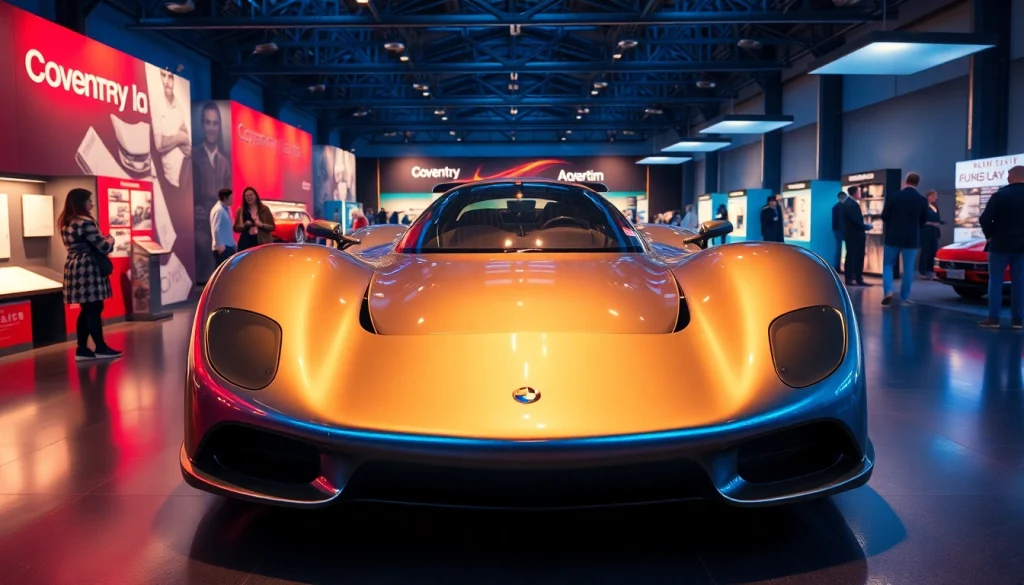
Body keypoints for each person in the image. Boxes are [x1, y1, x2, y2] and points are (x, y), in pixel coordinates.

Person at [59, 188, 122, 361]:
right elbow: (103, 247)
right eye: (89, 201)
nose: (92, 204)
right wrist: (110, 240)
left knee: (86, 308)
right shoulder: (85, 222)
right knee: (94, 308)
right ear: (82, 202)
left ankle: (82, 348)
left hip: (74, 267)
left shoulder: (66, 222)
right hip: (89, 268)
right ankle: (100, 347)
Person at [978, 165, 1024, 329]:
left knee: (995, 281)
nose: (1007, 177)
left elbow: (984, 219)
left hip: (1000, 244)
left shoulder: (1000, 195)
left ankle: (994, 319)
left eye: (1008, 175)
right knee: (1019, 282)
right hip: (1021, 247)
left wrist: (990, 235)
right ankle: (1018, 320)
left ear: (1012, 177)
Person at [880, 172, 928, 305]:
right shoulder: (922, 200)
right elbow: (924, 220)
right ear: (917, 183)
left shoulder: (894, 196)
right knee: (908, 269)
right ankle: (904, 297)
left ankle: (888, 291)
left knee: (888, 265)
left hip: (892, 237)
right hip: (911, 238)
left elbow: (884, 216)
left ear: (905, 182)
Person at [842, 186, 871, 286]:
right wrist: (865, 226)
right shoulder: (851, 204)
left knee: (853, 256)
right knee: (854, 256)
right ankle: (854, 278)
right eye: (859, 192)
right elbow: (855, 220)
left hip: (852, 235)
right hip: (854, 235)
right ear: (854, 193)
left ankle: (854, 277)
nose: (860, 193)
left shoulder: (849, 203)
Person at [233, 187, 276, 251]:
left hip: (262, 242)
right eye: (246, 196)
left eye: (251, 195)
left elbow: (272, 227)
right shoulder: (241, 210)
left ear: (256, 196)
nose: (249, 197)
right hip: (245, 243)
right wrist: (244, 225)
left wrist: (262, 225)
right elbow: (236, 228)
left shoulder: (264, 210)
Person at [918, 190, 944, 278]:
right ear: (929, 196)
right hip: (926, 232)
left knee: (934, 251)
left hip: (934, 232)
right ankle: (923, 271)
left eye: (936, 196)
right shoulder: (924, 207)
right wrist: (932, 224)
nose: (935, 198)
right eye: (933, 196)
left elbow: (936, 218)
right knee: (925, 252)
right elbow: (921, 220)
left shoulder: (935, 207)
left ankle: (931, 270)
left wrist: (940, 223)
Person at [210, 188, 235, 267]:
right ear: (225, 198)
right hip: (223, 247)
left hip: (228, 245)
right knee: (222, 272)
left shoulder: (227, 208)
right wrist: (220, 246)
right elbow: (216, 229)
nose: (232, 200)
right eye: (231, 198)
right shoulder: (219, 210)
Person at [832, 191, 848, 271]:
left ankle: (837, 267)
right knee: (844, 249)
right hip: (842, 230)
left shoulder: (835, 207)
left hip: (838, 230)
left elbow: (834, 221)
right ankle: (840, 267)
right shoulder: (846, 206)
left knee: (838, 249)